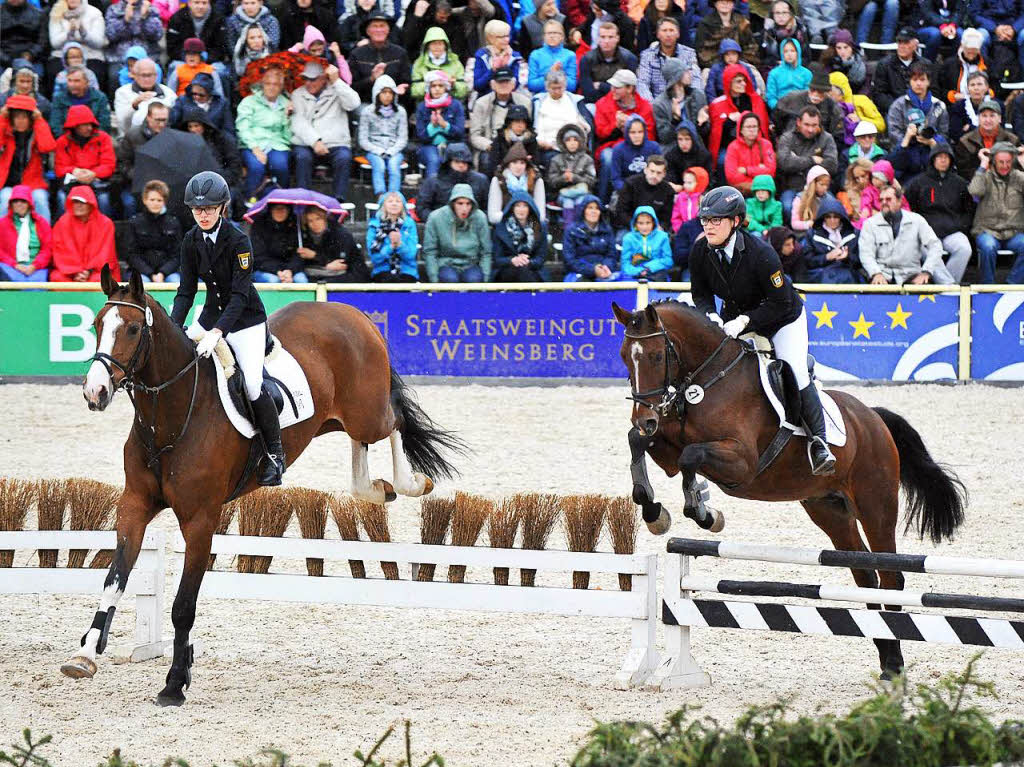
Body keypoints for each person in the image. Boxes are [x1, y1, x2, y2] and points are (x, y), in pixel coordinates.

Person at [689, 185, 836, 475]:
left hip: (783, 318)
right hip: (734, 316)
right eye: (705, 220)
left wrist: (744, 322)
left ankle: (820, 443)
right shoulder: (700, 251)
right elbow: (700, 294)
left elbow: (779, 302)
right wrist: (710, 316)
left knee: (793, 370)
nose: (709, 225)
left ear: (736, 221)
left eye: (716, 220)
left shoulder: (762, 254)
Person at [172, 171, 284, 486]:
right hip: (210, 313)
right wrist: (173, 326)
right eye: (197, 209)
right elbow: (186, 291)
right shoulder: (190, 240)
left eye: (208, 208)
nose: (202, 214)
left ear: (222, 207)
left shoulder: (239, 240)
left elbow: (239, 295)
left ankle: (275, 454)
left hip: (245, 319)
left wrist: (217, 334)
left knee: (250, 384)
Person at [290, 61, 360, 203]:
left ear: (324, 78)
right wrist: (315, 141)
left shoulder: (337, 90)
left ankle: (338, 201)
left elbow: (354, 103)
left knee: (344, 157)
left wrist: (336, 81)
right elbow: (298, 121)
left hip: (335, 142)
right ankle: (303, 199)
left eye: (313, 79)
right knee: (302, 157)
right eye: (306, 79)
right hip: (307, 143)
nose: (309, 83)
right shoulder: (297, 94)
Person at [904, 142, 974, 282]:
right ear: (933, 159)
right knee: (929, 252)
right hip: (926, 233)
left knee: (964, 248)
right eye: (940, 157)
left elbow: (969, 209)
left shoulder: (959, 183)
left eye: (946, 157)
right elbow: (909, 208)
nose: (943, 160)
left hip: (952, 231)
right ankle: (951, 288)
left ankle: (946, 287)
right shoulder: (918, 182)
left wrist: (960, 225)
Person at [859, 183, 954, 284]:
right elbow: (866, 254)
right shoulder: (870, 224)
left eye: (888, 199)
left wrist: (926, 271)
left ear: (900, 201)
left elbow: (935, 246)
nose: (884, 202)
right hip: (883, 275)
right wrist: (876, 273)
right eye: (881, 200)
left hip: (911, 275)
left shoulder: (917, 220)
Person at [594, 69, 656, 201]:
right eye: (612, 86)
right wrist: (615, 126)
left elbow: (649, 136)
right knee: (608, 158)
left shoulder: (645, 107)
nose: (613, 90)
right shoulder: (603, 104)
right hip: (612, 146)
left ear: (630, 88)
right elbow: (600, 133)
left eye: (617, 87)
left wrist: (631, 125)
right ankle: (602, 202)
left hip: (639, 148)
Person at [968, 141, 1024, 283]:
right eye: (1001, 162)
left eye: (1008, 162)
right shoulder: (985, 176)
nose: (1005, 166)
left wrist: (1023, 164)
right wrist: (983, 165)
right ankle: (988, 288)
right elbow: (975, 191)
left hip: (1014, 233)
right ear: (994, 161)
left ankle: (1011, 285)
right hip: (987, 231)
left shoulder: (1018, 176)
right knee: (988, 247)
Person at [237, 67, 292, 202]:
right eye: (268, 84)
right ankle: (249, 200)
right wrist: (255, 148)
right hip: (253, 143)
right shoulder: (249, 101)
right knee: (256, 167)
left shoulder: (286, 103)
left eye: (276, 84)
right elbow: (242, 127)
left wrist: (287, 117)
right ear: (262, 85)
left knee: (280, 166)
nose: (271, 88)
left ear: (281, 87)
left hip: (278, 143)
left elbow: (289, 136)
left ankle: (282, 201)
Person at [775, 105, 838, 219]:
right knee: (788, 207)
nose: (810, 129)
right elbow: (784, 163)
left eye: (814, 125)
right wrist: (812, 160)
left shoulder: (826, 138)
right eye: (807, 125)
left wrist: (797, 160)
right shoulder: (787, 138)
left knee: (832, 207)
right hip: (793, 187)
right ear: (798, 122)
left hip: (820, 188)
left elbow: (832, 165)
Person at [53, 104, 115, 218]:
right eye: (85, 125)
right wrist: (74, 171)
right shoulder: (63, 142)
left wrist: (94, 173)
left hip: (97, 182)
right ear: (74, 126)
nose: (89, 128)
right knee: (62, 198)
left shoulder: (103, 138)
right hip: (72, 183)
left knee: (104, 200)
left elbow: (109, 165)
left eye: (91, 124)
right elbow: (59, 168)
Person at [468, 66, 532, 175]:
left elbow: (529, 130)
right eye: (500, 82)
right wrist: (490, 145)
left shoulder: (525, 102)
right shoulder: (481, 103)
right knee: (486, 160)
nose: (503, 85)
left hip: (518, 144)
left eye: (507, 81)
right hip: (491, 145)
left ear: (513, 84)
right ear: (492, 84)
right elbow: (474, 136)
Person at [0, 96, 54, 223]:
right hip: (8, 184)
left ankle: (45, 237)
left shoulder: (37, 132)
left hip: (33, 183)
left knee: (40, 199)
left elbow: (47, 147)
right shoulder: (5, 131)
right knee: (5, 198)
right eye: (17, 117)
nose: (20, 121)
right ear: (11, 118)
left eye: (24, 117)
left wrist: (40, 120)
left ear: (30, 119)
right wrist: (2, 118)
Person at [707, 63, 770, 172]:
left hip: (754, 144)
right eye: (738, 81)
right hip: (729, 146)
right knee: (723, 161)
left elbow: (763, 128)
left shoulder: (755, 101)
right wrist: (730, 121)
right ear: (729, 83)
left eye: (744, 80)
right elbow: (717, 137)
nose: (743, 84)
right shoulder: (718, 105)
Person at [423, 183, 491, 282]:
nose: (464, 208)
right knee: (450, 280)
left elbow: (486, 252)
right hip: (445, 263)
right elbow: (430, 252)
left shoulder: (480, 217)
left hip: (471, 263)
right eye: (460, 203)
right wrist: (434, 281)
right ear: (452, 204)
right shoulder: (435, 217)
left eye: (468, 204)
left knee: (474, 280)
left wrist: (485, 281)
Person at [49, 185, 119, 282]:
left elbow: (105, 254)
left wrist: (89, 272)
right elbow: (60, 252)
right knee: (56, 277)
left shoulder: (105, 223)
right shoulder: (62, 223)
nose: (78, 205)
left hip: (96, 271)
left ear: (91, 204)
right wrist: (76, 271)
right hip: (69, 272)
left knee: (100, 279)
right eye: (75, 202)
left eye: (82, 202)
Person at [358, 75, 408, 196]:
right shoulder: (367, 111)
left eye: (391, 93)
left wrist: (392, 150)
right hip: (374, 149)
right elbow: (363, 139)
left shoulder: (400, 111)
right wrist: (378, 150)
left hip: (394, 149)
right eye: (384, 92)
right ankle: (381, 195)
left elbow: (403, 138)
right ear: (377, 93)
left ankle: (393, 196)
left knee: (393, 166)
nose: (387, 96)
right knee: (379, 166)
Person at [126, 180, 183, 283]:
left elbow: (177, 255)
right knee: (142, 284)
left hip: (169, 272)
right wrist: (150, 273)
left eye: (159, 200)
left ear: (164, 201)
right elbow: (132, 254)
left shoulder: (173, 223)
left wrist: (163, 273)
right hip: (142, 272)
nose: (155, 203)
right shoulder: (135, 222)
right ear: (144, 200)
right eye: (152, 199)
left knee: (176, 282)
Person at [348, 12, 412, 103]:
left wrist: (403, 88)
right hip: (366, 102)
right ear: (367, 31)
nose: (379, 30)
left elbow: (407, 81)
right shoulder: (356, 54)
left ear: (388, 30)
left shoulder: (400, 53)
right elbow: (352, 86)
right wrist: (371, 79)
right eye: (374, 26)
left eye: (382, 26)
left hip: (395, 101)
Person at [637, 17, 702, 105]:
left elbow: (696, 80)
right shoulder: (647, 55)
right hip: (656, 103)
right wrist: (653, 106)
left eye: (671, 30)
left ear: (678, 34)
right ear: (658, 34)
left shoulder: (689, 54)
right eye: (664, 30)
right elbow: (642, 84)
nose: (668, 34)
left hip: (685, 104)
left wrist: (687, 105)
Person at [416, 142, 489, 220]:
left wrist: (472, 221)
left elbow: (487, 209)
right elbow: (422, 208)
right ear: (449, 162)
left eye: (464, 162)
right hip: (442, 226)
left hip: (471, 226)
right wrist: (439, 221)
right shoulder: (433, 181)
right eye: (457, 161)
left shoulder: (480, 180)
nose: (461, 165)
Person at [870, 27, 933, 116]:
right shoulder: (884, 64)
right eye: (899, 42)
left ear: (915, 45)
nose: (902, 46)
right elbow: (879, 95)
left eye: (906, 42)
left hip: (922, 109)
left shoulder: (926, 64)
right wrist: (899, 108)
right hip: (894, 111)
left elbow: (933, 90)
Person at [415, 71, 466, 178]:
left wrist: (445, 125)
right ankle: (433, 191)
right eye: (433, 86)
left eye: (440, 86)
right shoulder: (422, 107)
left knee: (456, 159)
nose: (437, 89)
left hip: (452, 144)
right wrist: (432, 127)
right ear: (429, 88)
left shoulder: (456, 105)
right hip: (428, 146)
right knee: (434, 160)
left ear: (446, 88)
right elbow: (421, 136)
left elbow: (460, 133)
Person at [104, 0, 164, 91]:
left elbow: (156, 35)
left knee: (155, 71)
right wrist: (125, 21)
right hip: (119, 58)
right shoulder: (114, 9)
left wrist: (144, 18)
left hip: (148, 56)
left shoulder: (151, 9)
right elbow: (111, 35)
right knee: (114, 76)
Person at [886, 61, 949, 147]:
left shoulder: (938, 105)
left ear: (929, 82)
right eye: (915, 79)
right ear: (910, 82)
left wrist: (932, 141)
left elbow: (944, 133)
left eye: (922, 79)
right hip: (907, 150)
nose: (918, 83)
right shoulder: (898, 105)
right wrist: (909, 139)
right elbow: (894, 133)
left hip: (932, 152)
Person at [297, 206, 369, 282]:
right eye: (310, 221)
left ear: (325, 218)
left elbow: (341, 263)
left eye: (318, 219)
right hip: (320, 273)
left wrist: (315, 256)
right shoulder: (304, 236)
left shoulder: (340, 234)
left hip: (350, 274)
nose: (315, 224)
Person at [47, 0, 107, 90]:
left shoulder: (94, 13)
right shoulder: (56, 12)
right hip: (63, 54)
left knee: (97, 72)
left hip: (90, 53)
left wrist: (83, 32)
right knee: (53, 71)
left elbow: (98, 43)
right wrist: (69, 32)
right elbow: (55, 43)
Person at [955, 97, 1020, 179]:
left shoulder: (1012, 140)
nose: (988, 120)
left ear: (999, 118)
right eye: (984, 116)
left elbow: (1017, 169)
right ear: (978, 118)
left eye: (992, 116)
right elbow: (964, 172)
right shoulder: (965, 141)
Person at [652, 58, 709, 147]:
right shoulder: (659, 104)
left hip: (695, 148)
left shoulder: (698, 95)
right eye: (686, 72)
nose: (690, 74)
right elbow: (664, 138)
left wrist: (701, 123)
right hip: (672, 150)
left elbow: (705, 133)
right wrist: (675, 119)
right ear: (677, 77)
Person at [0, 185, 51, 282]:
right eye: (15, 201)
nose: (19, 204)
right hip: (10, 266)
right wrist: (15, 265)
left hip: (36, 267)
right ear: (11, 204)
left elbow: (47, 249)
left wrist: (35, 266)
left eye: (23, 201)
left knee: (36, 288)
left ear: (29, 203)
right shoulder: (2, 224)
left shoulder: (41, 223)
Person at [547, 124, 596, 226]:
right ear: (563, 143)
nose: (572, 143)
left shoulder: (587, 159)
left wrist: (575, 178)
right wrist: (563, 178)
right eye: (568, 140)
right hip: (564, 195)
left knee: (580, 201)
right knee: (568, 202)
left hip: (583, 193)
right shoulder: (556, 160)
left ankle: (581, 228)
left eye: (575, 140)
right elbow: (551, 181)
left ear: (580, 142)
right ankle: (569, 230)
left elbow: (592, 181)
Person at [578, 22, 638, 104]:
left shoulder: (629, 58)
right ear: (598, 39)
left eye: (610, 37)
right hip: (595, 103)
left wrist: (601, 86)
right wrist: (617, 89)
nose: (606, 41)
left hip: (622, 103)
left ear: (617, 38)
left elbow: (630, 90)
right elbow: (588, 94)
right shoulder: (587, 59)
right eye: (603, 37)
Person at [113, 57, 176, 136]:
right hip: (132, 139)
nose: (147, 79)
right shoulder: (122, 92)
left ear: (156, 75)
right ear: (134, 75)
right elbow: (122, 124)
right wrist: (134, 105)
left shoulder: (168, 92)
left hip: (163, 137)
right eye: (143, 75)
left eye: (150, 75)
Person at [49, 67, 111, 146]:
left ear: (87, 82)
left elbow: (104, 124)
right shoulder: (59, 98)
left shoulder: (99, 97)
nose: (72, 84)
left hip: (94, 142)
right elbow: (55, 124)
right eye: (69, 80)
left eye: (77, 81)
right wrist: (69, 141)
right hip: (68, 142)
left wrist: (92, 142)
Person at [493, 193, 548, 281]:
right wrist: (512, 260)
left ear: (530, 208)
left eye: (525, 206)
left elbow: (541, 257)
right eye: (518, 206)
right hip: (507, 269)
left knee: (524, 271)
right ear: (512, 208)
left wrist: (528, 262)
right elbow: (497, 259)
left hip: (532, 268)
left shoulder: (540, 227)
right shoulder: (501, 227)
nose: (521, 210)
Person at [562, 194, 618, 281]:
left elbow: (612, 255)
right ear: (583, 210)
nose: (594, 211)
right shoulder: (571, 230)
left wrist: (605, 267)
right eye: (590, 208)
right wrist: (593, 270)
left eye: (597, 208)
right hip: (579, 272)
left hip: (603, 271)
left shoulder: (607, 230)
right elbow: (569, 260)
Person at [804, 198, 861, 283]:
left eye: (836, 217)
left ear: (841, 217)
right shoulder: (812, 234)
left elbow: (859, 261)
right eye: (828, 217)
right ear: (823, 217)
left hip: (848, 276)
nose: (832, 220)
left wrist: (847, 257)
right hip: (822, 277)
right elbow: (808, 261)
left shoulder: (853, 234)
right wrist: (826, 257)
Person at [488, 142, 546, 223]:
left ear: (526, 165)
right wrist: (514, 217)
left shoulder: (536, 180)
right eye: (514, 162)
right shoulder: (498, 180)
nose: (518, 167)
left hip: (530, 224)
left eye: (522, 163)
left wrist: (525, 218)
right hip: (505, 224)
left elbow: (541, 215)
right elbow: (492, 216)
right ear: (508, 164)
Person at [249, 203, 309, 283]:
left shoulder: (296, 225)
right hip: (264, 269)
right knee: (273, 280)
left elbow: (299, 256)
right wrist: (277, 271)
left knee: (301, 280)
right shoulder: (259, 225)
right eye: (276, 208)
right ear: (271, 210)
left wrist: (289, 271)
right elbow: (258, 257)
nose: (280, 212)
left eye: (283, 209)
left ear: (288, 210)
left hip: (291, 270)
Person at [367, 191, 419, 282]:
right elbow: (375, 258)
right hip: (382, 270)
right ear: (383, 205)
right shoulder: (374, 225)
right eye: (390, 201)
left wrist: (399, 245)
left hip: (407, 271)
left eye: (398, 201)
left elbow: (411, 255)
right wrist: (391, 247)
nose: (394, 204)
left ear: (403, 205)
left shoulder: (409, 224)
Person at [613, 154, 674, 231]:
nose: (654, 175)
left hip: (655, 230)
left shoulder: (668, 190)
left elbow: (667, 218)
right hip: (630, 227)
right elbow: (621, 212)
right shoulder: (631, 184)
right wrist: (636, 226)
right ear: (645, 170)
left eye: (659, 173)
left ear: (664, 174)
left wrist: (661, 227)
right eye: (652, 171)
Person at [166, 0, 230, 73]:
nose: (200, 6)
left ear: (209, 3)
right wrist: (190, 58)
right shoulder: (177, 18)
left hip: (210, 62)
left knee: (221, 70)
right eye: (196, 2)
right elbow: (172, 48)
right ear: (189, 3)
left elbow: (221, 48)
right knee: (174, 67)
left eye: (204, 3)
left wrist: (203, 58)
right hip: (184, 60)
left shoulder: (218, 19)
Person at [170, 71, 236, 140]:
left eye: (201, 95)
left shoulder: (221, 104)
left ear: (210, 93)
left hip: (214, 142)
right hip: (187, 141)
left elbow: (228, 129)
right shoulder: (182, 101)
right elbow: (173, 122)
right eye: (194, 94)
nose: (197, 97)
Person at [411, 26, 469, 102]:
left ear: (445, 46)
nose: (437, 47)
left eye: (440, 44)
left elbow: (463, 91)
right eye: (433, 44)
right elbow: (414, 91)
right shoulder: (419, 63)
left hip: (451, 105)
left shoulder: (455, 63)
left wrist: (453, 84)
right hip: (426, 105)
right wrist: (430, 83)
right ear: (428, 46)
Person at [694, 0, 758, 69]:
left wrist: (739, 62)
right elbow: (702, 52)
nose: (725, 3)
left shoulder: (742, 22)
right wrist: (722, 65)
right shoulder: (705, 24)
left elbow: (751, 46)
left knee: (754, 73)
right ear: (715, 3)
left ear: (733, 4)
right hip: (714, 67)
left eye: (729, 1)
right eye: (721, 1)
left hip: (740, 65)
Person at [470, 20, 527, 96]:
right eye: (501, 37)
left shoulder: (515, 56)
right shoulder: (481, 55)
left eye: (507, 36)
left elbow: (516, 85)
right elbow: (477, 86)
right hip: (486, 98)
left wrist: (505, 67)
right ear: (490, 38)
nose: (506, 40)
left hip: (510, 97)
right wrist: (493, 70)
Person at [724, 111, 776, 194]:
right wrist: (759, 174)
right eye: (748, 127)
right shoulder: (733, 147)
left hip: (763, 192)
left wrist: (747, 170)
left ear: (759, 128)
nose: (752, 130)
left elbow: (771, 171)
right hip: (741, 191)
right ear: (740, 129)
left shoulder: (766, 145)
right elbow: (731, 176)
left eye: (754, 126)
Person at [704, 38, 764, 104]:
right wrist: (714, 105)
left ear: (738, 55)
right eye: (727, 54)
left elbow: (752, 87)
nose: (730, 57)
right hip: (721, 100)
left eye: (733, 54)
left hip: (743, 99)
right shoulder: (715, 69)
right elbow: (710, 90)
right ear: (722, 56)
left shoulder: (745, 67)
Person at [527, 20, 577, 94]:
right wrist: (549, 74)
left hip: (564, 96)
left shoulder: (570, 55)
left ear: (562, 37)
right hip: (542, 97)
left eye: (556, 33)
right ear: (544, 36)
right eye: (549, 33)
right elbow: (531, 85)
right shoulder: (535, 55)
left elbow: (572, 86)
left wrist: (560, 74)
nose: (552, 36)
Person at [1, 0, 46, 77]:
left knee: (37, 75)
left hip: (31, 58)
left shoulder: (38, 14)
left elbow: (42, 41)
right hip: (3, 58)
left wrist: (31, 54)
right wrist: (6, 60)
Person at [765, 38, 810, 109]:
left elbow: (809, 95)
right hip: (780, 110)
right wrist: (779, 108)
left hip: (801, 109)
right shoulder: (774, 73)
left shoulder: (806, 73)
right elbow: (770, 97)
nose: (789, 54)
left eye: (792, 51)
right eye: (786, 51)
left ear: (798, 52)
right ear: (782, 53)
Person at [947, 71, 993, 140]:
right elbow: (955, 134)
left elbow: (998, 131)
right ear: (968, 88)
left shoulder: (996, 106)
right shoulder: (958, 107)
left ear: (987, 87)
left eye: (979, 84)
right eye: (972, 85)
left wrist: (970, 128)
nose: (976, 88)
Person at [665, 121, 711, 189]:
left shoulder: (704, 155)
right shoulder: (671, 155)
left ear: (693, 139)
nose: (683, 143)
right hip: (678, 191)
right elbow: (671, 178)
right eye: (680, 139)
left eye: (687, 139)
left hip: (699, 191)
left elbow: (709, 179)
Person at [790, 164, 835, 232]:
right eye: (822, 184)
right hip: (806, 234)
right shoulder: (799, 199)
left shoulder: (829, 199)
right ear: (812, 183)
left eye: (827, 185)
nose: (825, 188)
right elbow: (794, 224)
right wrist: (808, 224)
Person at [822, 29, 866, 93]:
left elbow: (865, 90)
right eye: (839, 48)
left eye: (846, 47)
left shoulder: (861, 63)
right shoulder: (829, 63)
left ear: (852, 47)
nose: (842, 52)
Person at [671, 166, 710, 233]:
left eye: (689, 183)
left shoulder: (703, 199)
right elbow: (676, 216)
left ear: (700, 183)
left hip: (700, 232)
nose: (685, 185)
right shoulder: (680, 197)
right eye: (684, 182)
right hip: (683, 231)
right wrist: (679, 229)